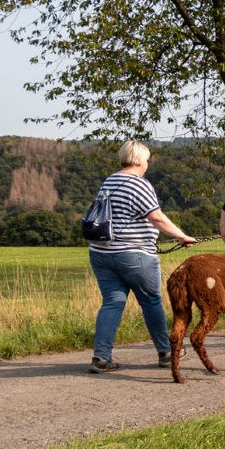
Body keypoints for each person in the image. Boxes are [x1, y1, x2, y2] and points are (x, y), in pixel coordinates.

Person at [88, 140, 197, 373]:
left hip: (101, 253)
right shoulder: (139, 184)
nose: (147, 164)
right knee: (151, 301)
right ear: (139, 160)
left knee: (112, 303)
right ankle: (167, 353)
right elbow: (156, 217)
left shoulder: (110, 181)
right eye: (147, 159)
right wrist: (182, 236)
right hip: (133, 254)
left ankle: (101, 357)